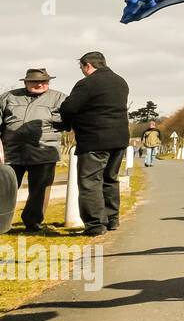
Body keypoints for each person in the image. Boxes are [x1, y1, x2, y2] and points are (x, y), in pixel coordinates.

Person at [55, 52, 129, 236]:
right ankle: (112, 220)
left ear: (87, 65)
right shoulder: (121, 81)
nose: (82, 71)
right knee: (110, 179)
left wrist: (65, 124)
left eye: (81, 68)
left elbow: (69, 107)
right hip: (119, 139)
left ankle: (95, 225)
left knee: (90, 182)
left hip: (95, 140)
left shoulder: (88, 83)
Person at [0, 68, 67, 232]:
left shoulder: (60, 98)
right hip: (12, 152)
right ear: (26, 82)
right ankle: (1, 222)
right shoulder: (9, 97)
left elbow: (69, 121)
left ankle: (33, 222)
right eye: (34, 81)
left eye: (43, 81)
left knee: (40, 190)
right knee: (4, 189)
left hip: (44, 152)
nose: (39, 84)